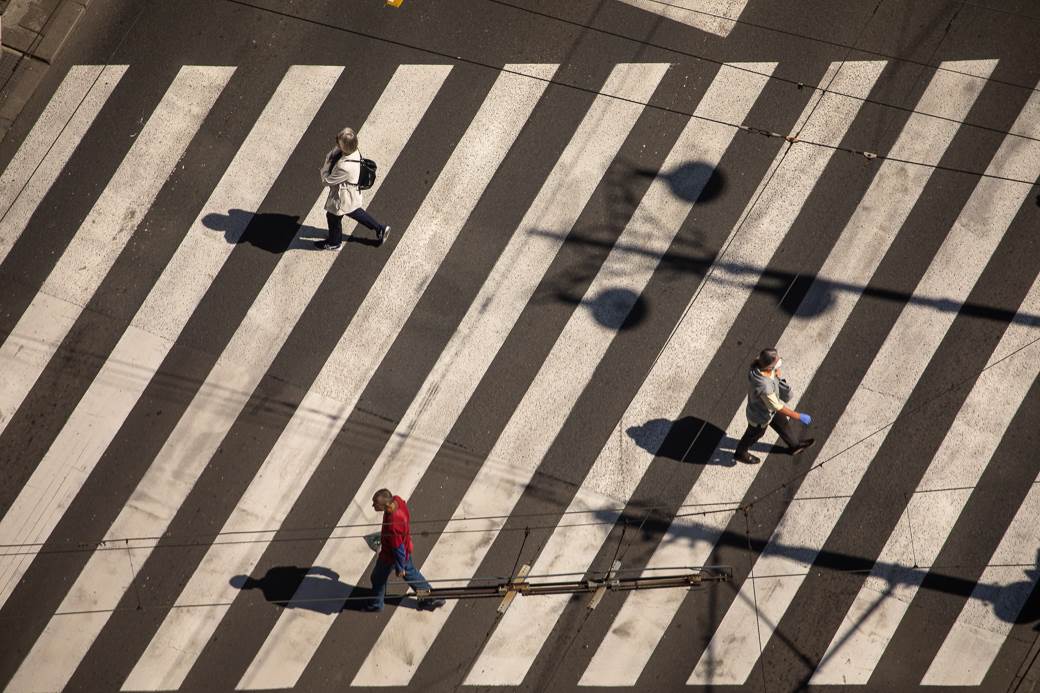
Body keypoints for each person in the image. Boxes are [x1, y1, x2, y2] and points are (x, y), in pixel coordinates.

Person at [365, 488, 446, 612]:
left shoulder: (393, 525)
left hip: (390, 556)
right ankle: (429, 597)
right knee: (412, 575)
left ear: (386, 505)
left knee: (377, 578)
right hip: (406, 545)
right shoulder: (397, 501)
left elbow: (398, 549)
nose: (373, 505)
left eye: (375, 503)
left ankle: (376, 604)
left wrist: (400, 567)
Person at [733, 348, 815, 464]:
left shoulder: (759, 365)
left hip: (769, 410)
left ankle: (795, 446)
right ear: (769, 366)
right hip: (760, 416)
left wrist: (776, 374)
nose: (779, 361)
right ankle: (740, 453)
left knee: (783, 425)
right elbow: (777, 406)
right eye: (776, 361)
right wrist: (798, 416)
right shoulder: (765, 387)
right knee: (754, 435)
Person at [317, 127, 389, 250]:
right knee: (354, 211)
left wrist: (326, 164)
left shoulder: (344, 166)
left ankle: (334, 243)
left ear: (345, 146)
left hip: (343, 197)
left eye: (338, 142)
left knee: (333, 216)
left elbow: (326, 181)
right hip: (351, 193)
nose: (336, 143)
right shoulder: (353, 150)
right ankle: (380, 229)